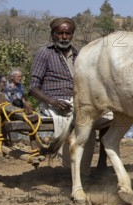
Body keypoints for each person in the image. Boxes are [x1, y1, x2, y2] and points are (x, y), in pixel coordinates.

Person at [29, 17, 105, 174]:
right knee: (81, 122)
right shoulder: (44, 54)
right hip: (54, 102)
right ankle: (79, 171)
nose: (64, 37)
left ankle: (101, 164)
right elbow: (33, 88)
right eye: (60, 33)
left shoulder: (80, 55)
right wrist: (54, 102)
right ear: (53, 34)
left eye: (68, 33)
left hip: (79, 100)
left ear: (72, 35)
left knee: (111, 115)